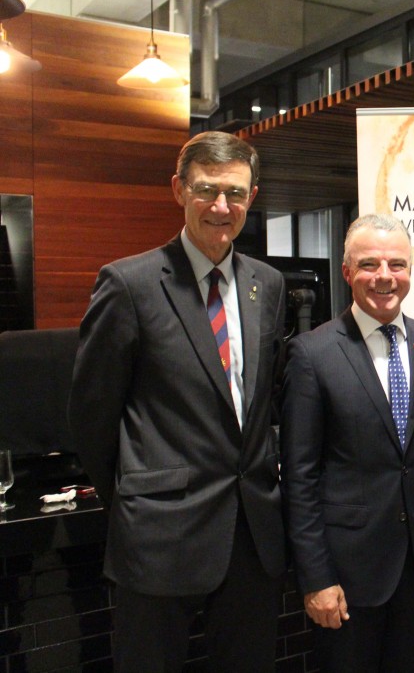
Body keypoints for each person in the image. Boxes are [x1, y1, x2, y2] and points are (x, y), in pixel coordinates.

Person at [68, 131, 287, 672]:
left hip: (251, 536)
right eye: (207, 190)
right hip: (158, 538)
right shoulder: (129, 284)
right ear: (178, 190)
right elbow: (91, 414)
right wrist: (136, 497)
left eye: (235, 193)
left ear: (251, 196)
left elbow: (263, 403)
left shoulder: (269, 284)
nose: (221, 206)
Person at [280, 213, 414, 672]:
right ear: (347, 272)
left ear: (410, 271)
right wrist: (316, 578)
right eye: (369, 264)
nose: (385, 277)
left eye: (397, 264)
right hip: (347, 577)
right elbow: (300, 479)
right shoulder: (312, 354)